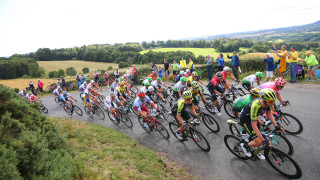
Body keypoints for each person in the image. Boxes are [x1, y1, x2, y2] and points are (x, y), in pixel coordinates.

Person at [239, 88, 284, 158]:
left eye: (273, 101)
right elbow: (254, 126)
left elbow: (269, 114)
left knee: (258, 135)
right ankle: (245, 146)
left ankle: (254, 150)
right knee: (259, 142)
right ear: (264, 100)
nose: (272, 103)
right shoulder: (255, 106)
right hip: (246, 119)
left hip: (253, 118)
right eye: (270, 101)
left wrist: (276, 126)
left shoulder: (267, 103)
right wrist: (263, 141)